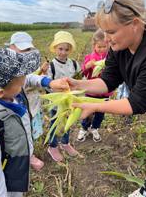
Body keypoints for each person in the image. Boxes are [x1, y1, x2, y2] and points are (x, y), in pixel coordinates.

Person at [66, 0, 146, 197]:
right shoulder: (119, 45)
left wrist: (95, 106)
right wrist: (77, 84)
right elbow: (108, 80)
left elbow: (138, 103)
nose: (106, 39)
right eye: (104, 32)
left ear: (135, 23)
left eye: (111, 31)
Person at [0, 48, 69, 197]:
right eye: (20, 84)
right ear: (0, 93)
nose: (24, 83)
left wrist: (49, 82)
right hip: (8, 170)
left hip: (20, 153)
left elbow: (28, 79)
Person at [6, 31, 69, 170]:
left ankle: (29, 156)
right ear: (11, 47)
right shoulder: (3, 64)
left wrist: (49, 82)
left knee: (27, 132)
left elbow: (29, 78)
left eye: (28, 49)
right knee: (13, 136)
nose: (26, 52)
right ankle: (15, 159)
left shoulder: (23, 63)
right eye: (23, 49)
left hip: (26, 108)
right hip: (9, 111)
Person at [45, 31, 81, 162]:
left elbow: (78, 79)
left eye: (66, 49)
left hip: (69, 101)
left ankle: (65, 143)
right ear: (55, 48)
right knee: (55, 123)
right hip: (56, 100)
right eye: (60, 49)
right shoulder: (51, 66)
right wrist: (58, 87)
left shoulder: (74, 64)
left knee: (68, 122)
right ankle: (53, 146)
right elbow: (47, 84)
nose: (63, 52)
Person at [77, 28, 112, 142]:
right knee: (88, 111)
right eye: (99, 47)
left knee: (100, 113)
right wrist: (87, 66)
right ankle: (84, 128)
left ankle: (95, 128)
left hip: (105, 91)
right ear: (94, 46)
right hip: (91, 91)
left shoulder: (111, 58)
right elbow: (84, 73)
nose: (102, 49)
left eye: (104, 46)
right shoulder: (89, 58)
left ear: (108, 44)